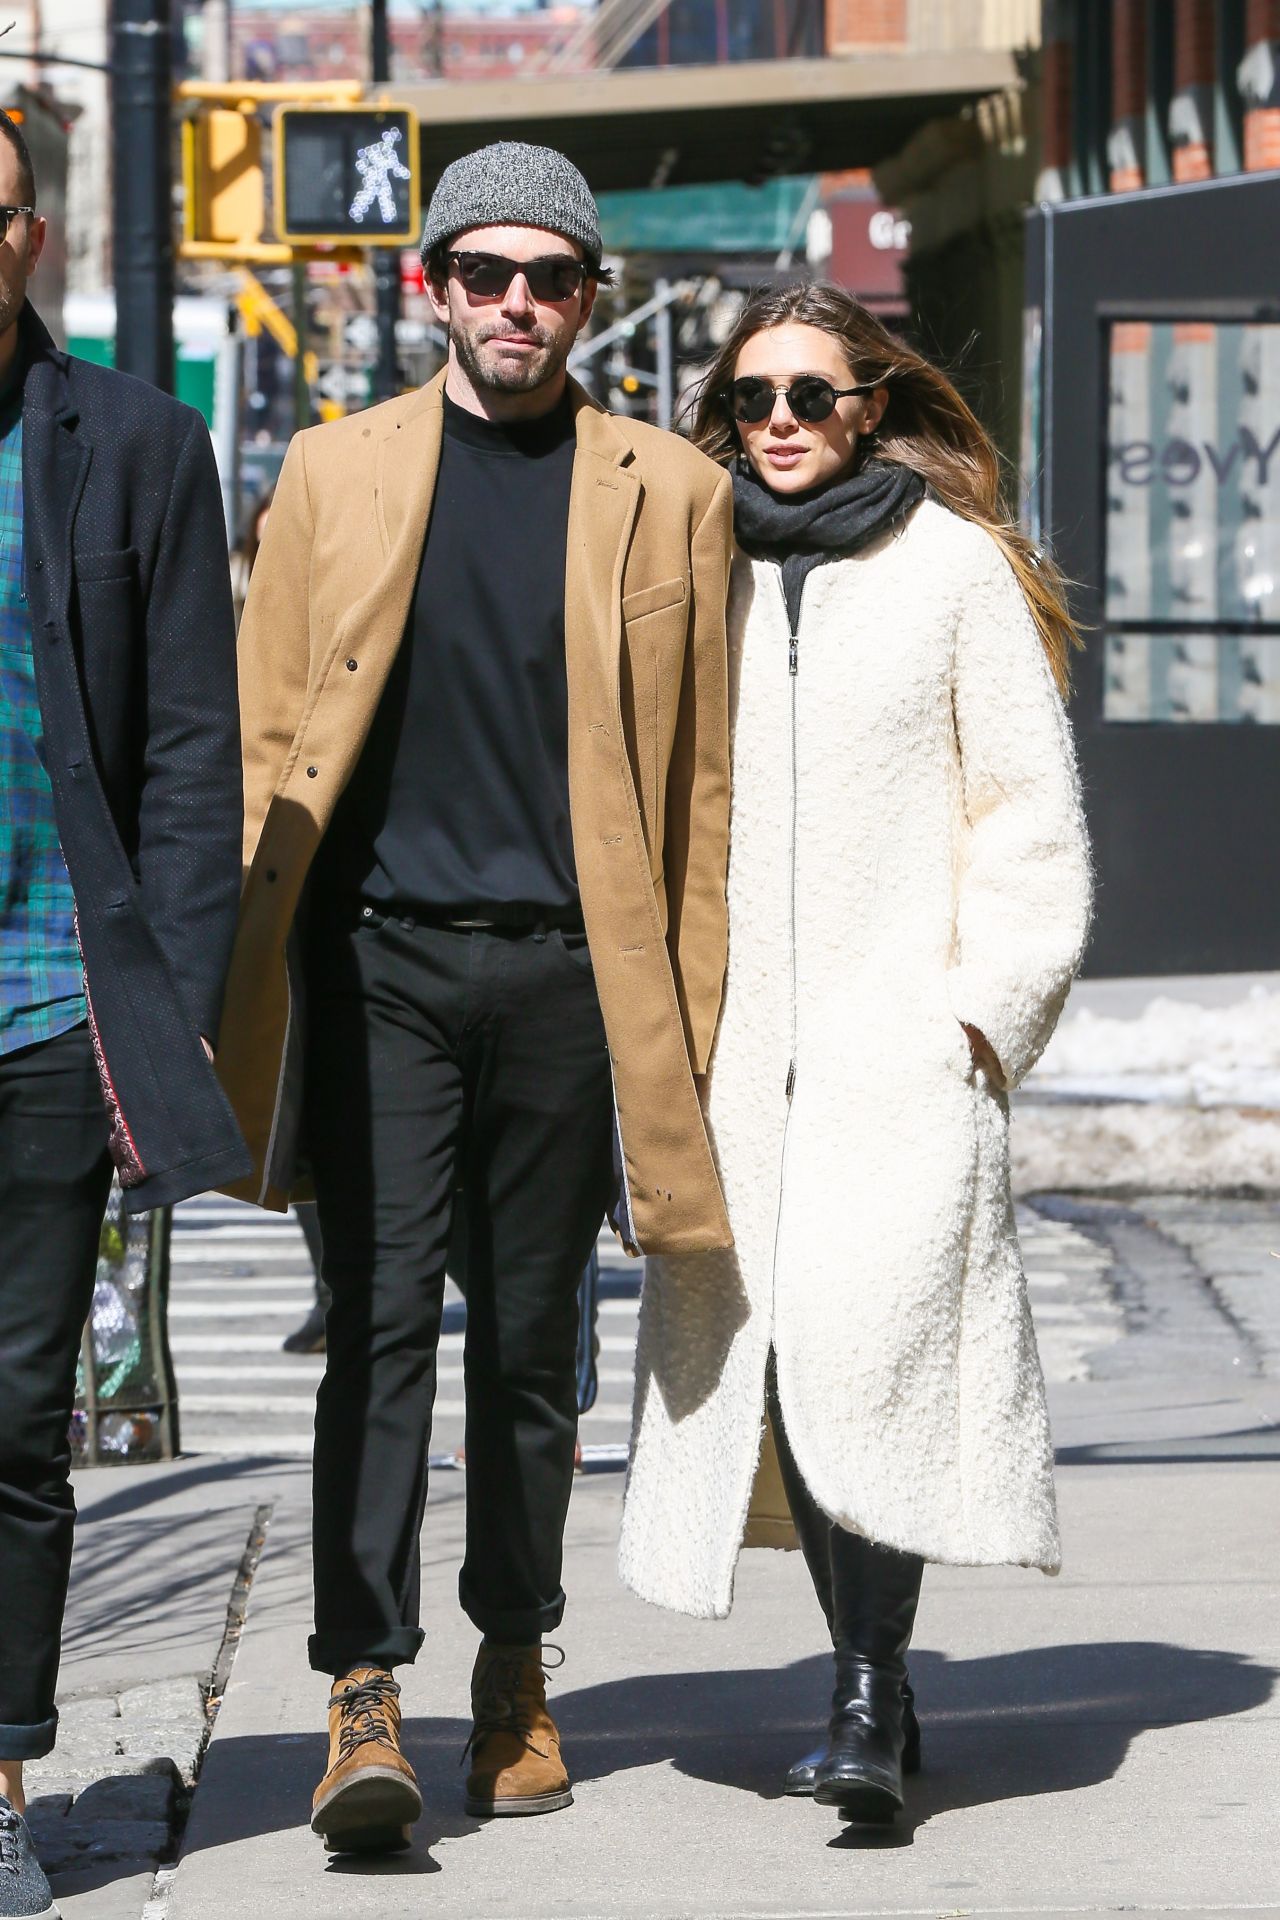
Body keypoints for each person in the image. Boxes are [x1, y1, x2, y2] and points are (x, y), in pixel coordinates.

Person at [215, 140, 734, 1853]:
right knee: (369, 1333)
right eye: (490, 274)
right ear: (435, 286)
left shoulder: (669, 488)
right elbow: (262, 732)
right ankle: (364, 1687)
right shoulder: (333, 469)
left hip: (576, 977)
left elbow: (703, 791)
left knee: (529, 1357)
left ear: (590, 300)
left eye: (556, 279)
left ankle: (514, 1665)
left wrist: (703, 1012)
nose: (522, 304)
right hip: (377, 965)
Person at [619, 283, 1093, 1827]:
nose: (778, 422)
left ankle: (869, 1698)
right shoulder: (697, 572)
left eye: (810, 396)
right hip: (739, 1061)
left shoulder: (952, 570)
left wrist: (981, 1018)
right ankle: (867, 1677)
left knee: (867, 1347)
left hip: (902, 1055)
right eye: (754, 395)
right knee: (792, 1373)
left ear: (867, 407)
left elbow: (1025, 811)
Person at [0, 110, 246, 1917]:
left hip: (41, 1008)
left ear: (28, 237)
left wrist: (158, 1019)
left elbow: (186, 760)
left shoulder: (139, 448)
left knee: (13, 1415)